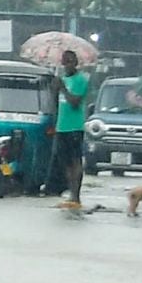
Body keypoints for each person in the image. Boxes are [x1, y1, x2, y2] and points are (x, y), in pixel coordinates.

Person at [48, 50, 93, 206]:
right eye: (65, 61)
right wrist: (54, 89)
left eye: (70, 61)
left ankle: (76, 194)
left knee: (75, 161)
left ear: (75, 63)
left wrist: (63, 89)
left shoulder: (81, 80)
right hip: (61, 127)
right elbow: (56, 104)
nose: (68, 64)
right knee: (65, 162)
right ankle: (70, 192)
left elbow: (74, 102)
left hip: (74, 127)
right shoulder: (62, 79)